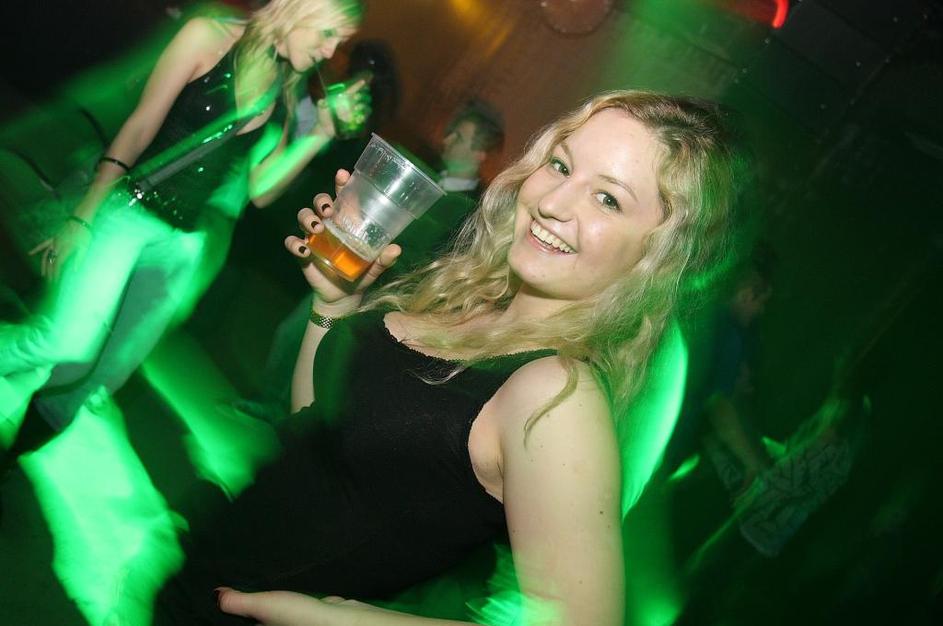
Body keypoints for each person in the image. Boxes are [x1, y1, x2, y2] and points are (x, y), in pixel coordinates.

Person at [155, 90, 744, 625]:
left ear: (655, 257)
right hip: (205, 577)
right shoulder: (475, 301)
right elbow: (319, 436)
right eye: (561, 166)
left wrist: (334, 618)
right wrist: (333, 304)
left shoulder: (557, 395)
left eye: (608, 199)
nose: (553, 202)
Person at [0, 0, 365, 440]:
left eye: (338, 42)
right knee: (65, 341)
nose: (330, 52)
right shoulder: (208, 35)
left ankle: (16, 453)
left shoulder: (287, 84)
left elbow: (261, 189)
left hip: (183, 242)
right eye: (327, 34)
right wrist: (84, 216)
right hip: (131, 212)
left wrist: (320, 135)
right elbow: (139, 126)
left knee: (108, 371)